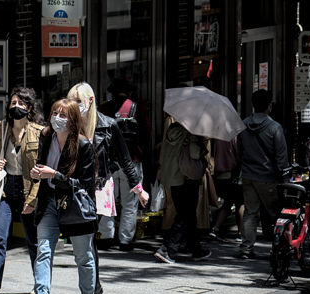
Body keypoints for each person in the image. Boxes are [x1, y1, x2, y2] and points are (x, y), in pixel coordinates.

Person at [18, 99, 98, 294]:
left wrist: (53, 175)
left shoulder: (83, 146)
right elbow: (42, 169)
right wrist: (37, 174)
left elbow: (85, 185)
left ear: (73, 120)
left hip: (74, 206)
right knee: (43, 250)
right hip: (49, 201)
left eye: (63, 114)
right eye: (55, 113)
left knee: (83, 256)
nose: (58, 118)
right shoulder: (46, 137)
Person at [67, 82, 147, 294]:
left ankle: (93, 286)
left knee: (90, 236)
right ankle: (96, 284)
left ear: (89, 101)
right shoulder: (68, 125)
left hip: (99, 186)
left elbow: (124, 158)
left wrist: (138, 188)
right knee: (88, 238)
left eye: (77, 101)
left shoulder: (108, 124)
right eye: (70, 101)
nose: (73, 106)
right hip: (75, 187)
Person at [0, 87, 44, 294]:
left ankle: (39, 285)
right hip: (6, 188)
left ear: (29, 108)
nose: (16, 107)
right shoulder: (1, 128)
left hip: (28, 188)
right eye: (13, 103)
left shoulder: (38, 132)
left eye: (21, 104)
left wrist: (33, 199)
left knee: (33, 240)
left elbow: (42, 168)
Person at [98, 78, 152, 250]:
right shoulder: (139, 109)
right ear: (129, 93)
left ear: (112, 93)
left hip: (109, 163)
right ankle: (125, 241)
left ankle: (106, 237)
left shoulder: (104, 109)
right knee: (130, 203)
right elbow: (147, 136)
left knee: (108, 200)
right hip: (133, 161)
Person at [236, 90, 288, 257]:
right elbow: (281, 158)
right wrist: (284, 178)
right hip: (268, 177)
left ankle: (246, 249)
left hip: (249, 176)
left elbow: (239, 152)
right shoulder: (274, 127)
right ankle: (280, 249)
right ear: (269, 106)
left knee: (250, 213)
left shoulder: (243, 125)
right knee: (276, 215)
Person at [155, 119, 213, 264]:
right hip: (187, 177)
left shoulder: (172, 128)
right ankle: (166, 248)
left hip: (172, 177)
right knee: (185, 214)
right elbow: (194, 153)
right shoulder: (192, 131)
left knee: (187, 213)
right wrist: (203, 144)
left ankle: (196, 249)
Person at [209, 136, 243, 241]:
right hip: (233, 174)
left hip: (220, 174)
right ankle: (241, 233)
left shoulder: (217, 137)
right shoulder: (234, 136)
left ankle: (215, 228)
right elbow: (239, 155)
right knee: (240, 203)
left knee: (227, 203)